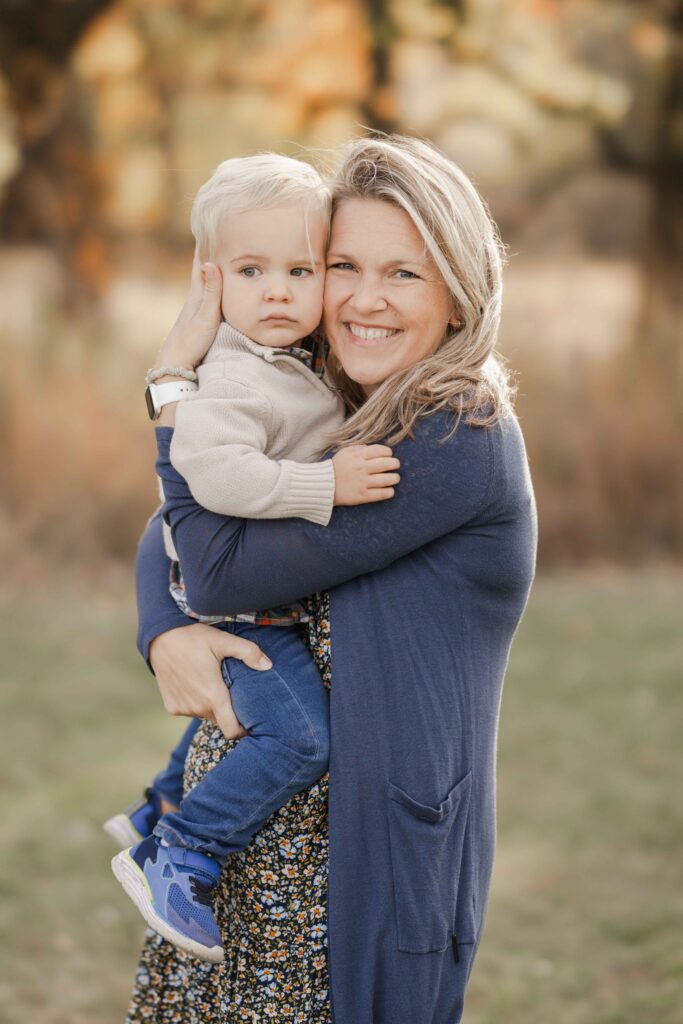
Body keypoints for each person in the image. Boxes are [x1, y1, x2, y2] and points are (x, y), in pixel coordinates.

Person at [127, 134, 537, 1024]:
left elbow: (211, 565)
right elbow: (172, 530)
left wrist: (169, 388)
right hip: (248, 849)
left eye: (403, 274)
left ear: (460, 293)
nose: (361, 298)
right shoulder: (336, 398)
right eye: (343, 265)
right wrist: (165, 634)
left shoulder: (452, 435)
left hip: (348, 870)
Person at [107, 153, 401, 963]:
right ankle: (182, 850)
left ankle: (161, 802)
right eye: (250, 270)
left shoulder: (295, 365)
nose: (277, 291)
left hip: (255, 596)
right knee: (299, 738)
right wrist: (324, 484)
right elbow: (213, 474)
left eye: (300, 270)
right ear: (210, 282)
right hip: (240, 608)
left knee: (254, 712)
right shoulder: (237, 375)